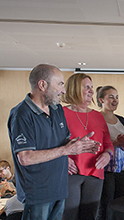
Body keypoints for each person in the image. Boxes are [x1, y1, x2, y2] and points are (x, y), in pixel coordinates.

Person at [7, 64, 100, 220]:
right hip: (37, 195)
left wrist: (79, 145)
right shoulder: (21, 114)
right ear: (42, 85)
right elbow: (25, 157)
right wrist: (66, 150)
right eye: (60, 84)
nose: (63, 90)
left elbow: (62, 142)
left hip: (59, 189)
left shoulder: (57, 109)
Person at [61, 73, 114, 220]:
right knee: (69, 216)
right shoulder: (61, 113)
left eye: (92, 87)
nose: (91, 91)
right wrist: (63, 158)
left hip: (95, 173)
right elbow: (52, 143)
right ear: (75, 89)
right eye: (87, 87)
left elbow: (108, 144)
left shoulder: (98, 116)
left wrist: (107, 155)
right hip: (70, 173)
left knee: (90, 216)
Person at [96, 86, 124, 220]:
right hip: (105, 168)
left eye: (117, 97)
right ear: (101, 100)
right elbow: (96, 147)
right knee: (106, 203)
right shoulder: (96, 118)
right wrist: (116, 143)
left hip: (122, 167)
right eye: (111, 97)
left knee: (120, 201)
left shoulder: (122, 120)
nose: (115, 100)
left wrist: (123, 144)